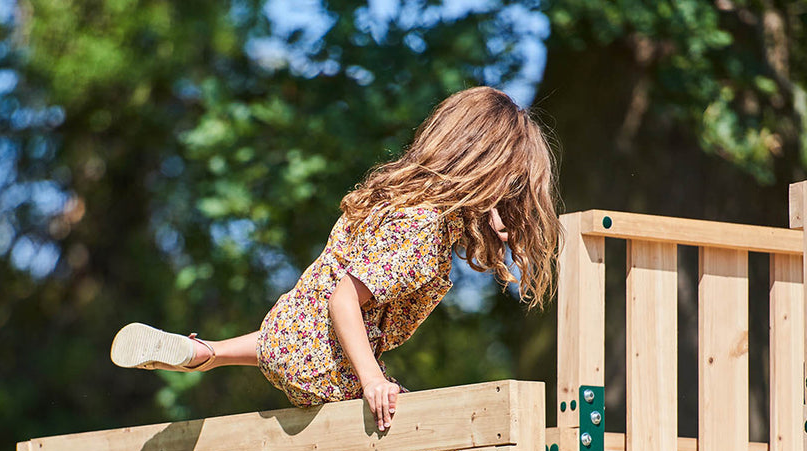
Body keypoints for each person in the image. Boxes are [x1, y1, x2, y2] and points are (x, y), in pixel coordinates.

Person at [111, 85, 559, 430]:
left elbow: (310, 314)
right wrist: (373, 382)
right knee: (411, 430)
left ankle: (201, 352)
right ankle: (209, 353)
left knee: (284, 341)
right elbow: (343, 299)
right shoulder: (425, 233)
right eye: (507, 187)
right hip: (335, 371)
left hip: (287, 337)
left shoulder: (392, 201)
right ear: (479, 169)